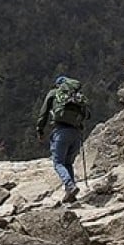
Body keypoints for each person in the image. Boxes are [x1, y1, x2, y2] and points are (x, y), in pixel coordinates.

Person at [35, 75, 91, 203]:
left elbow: (43, 113)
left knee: (58, 163)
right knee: (68, 163)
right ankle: (70, 194)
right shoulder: (77, 96)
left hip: (61, 132)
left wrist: (40, 129)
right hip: (76, 134)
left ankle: (70, 186)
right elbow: (87, 115)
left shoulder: (54, 93)